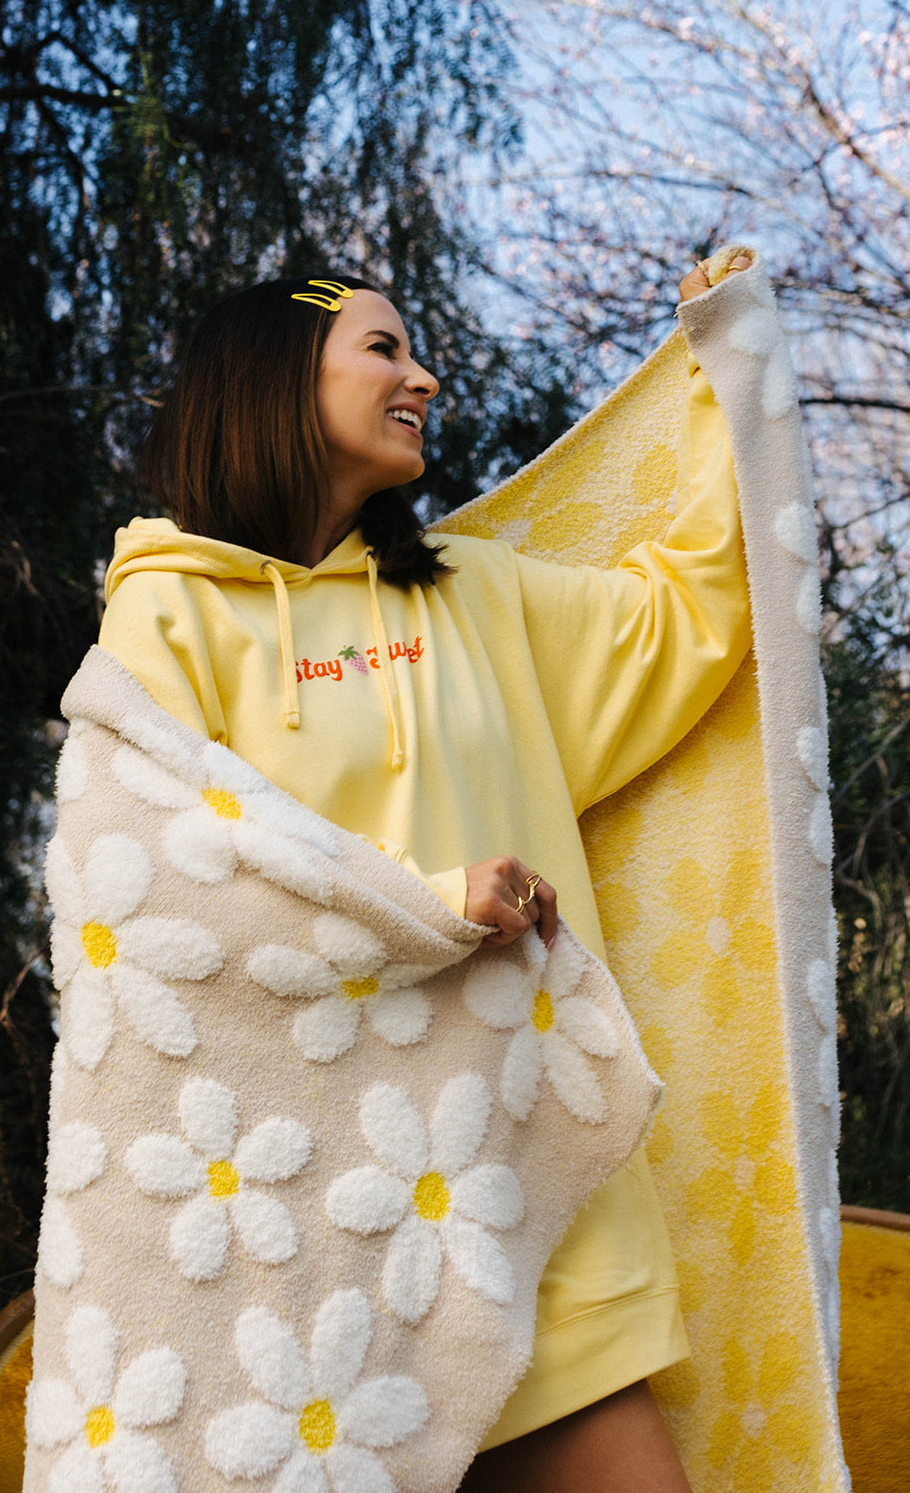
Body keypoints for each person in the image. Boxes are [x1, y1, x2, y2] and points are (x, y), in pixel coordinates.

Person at [97, 256, 753, 1492]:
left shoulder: (473, 593)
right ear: (278, 376)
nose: (424, 377)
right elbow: (157, 890)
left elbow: (689, 617)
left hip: (524, 1187)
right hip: (310, 1227)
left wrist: (729, 372)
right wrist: (427, 901)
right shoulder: (168, 615)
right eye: (383, 349)